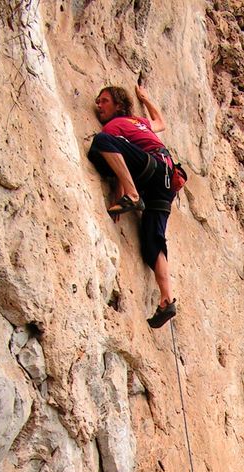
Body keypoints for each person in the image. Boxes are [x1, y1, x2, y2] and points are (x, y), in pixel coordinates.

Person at [88, 84, 177, 328]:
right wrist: (147, 99)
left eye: (104, 100)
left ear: (118, 105)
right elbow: (160, 121)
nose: (98, 105)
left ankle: (133, 194)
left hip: (152, 168)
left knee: (101, 141)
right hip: (168, 178)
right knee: (153, 240)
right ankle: (166, 298)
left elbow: (115, 151)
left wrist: (121, 189)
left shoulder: (115, 125)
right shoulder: (140, 123)